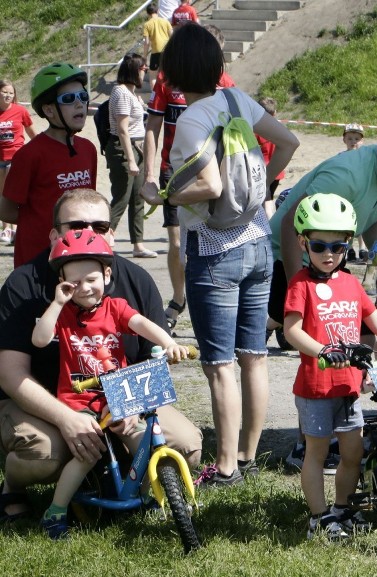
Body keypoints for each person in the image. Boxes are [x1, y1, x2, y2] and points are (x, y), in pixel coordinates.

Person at [150, 23, 299, 486]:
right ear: (216, 66)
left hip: (214, 251)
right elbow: (289, 142)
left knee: (219, 365)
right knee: (254, 355)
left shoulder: (193, 119)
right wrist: (260, 187)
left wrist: (166, 198)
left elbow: (210, 185)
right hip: (256, 241)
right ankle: (250, 457)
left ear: (173, 73)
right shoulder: (238, 101)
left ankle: (228, 466)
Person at [0, 188, 202, 524]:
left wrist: (132, 403)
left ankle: (131, 479)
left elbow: (150, 352)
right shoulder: (25, 284)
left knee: (183, 446)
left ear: (111, 232)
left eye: (100, 226)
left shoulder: (134, 280)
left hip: (117, 394)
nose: (89, 233)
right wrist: (67, 419)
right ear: (54, 234)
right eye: (76, 224)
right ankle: (15, 487)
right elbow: (10, 374)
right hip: (51, 399)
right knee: (45, 454)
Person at [34, 229, 191, 539]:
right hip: (80, 401)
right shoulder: (64, 314)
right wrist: (57, 301)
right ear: (64, 284)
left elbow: (143, 324)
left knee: (143, 439)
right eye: (74, 282)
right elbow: (39, 339)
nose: (84, 288)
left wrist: (168, 342)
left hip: (119, 392)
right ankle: (55, 511)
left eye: (91, 279)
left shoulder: (115, 307)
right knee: (87, 453)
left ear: (107, 275)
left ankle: (152, 497)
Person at [282, 194, 377, 539]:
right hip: (316, 387)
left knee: (353, 451)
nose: (329, 254)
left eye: (338, 247)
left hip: (349, 385)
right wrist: (322, 350)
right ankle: (318, 517)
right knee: (317, 452)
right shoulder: (301, 284)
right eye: (320, 245)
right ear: (303, 242)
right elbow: (291, 330)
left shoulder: (351, 284)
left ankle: (341, 509)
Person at [266, 115, 377, 343]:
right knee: (329, 338)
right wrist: (300, 294)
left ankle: (277, 322)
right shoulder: (346, 176)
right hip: (281, 259)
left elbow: (375, 218)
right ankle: (272, 319)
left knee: (365, 335)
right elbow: (289, 225)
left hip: (326, 260)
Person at [142, 23, 237, 334]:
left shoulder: (225, 82)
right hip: (176, 170)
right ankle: (179, 298)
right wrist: (150, 174)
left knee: (210, 235)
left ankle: (208, 301)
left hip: (214, 168)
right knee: (176, 241)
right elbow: (153, 127)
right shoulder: (168, 79)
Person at [0, 63, 97, 269]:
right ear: (48, 109)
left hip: (77, 256)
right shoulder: (29, 155)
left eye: (83, 96)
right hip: (37, 260)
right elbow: (6, 211)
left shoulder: (88, 149)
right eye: (69, 99)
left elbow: (89, 203)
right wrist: (43, 222)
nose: (79, 104)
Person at [107, 53, 155, 258]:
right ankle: (103, 238)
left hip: (137, 147)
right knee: (122, 197)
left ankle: (138, 244)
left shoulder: (133, 93)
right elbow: (122, 129)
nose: (145, 72)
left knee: (138, 198)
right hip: (123, 148)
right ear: (134, 69)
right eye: (143, 69)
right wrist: (131, 160)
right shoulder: (121, 93)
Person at [0, 79, 36, 245]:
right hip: (0, 160)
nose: (8, 95)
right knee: (3, 195)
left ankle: (16, 229)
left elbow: (32, 134)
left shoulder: (20, 111)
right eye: (5, 92)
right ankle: (6, 228)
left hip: (16, 158)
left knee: (15, 194)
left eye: (11, 93)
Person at [341, 123, 367, 263]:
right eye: (350, 138)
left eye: (357, 139)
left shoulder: (366, 158)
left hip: (361, 193)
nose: (353, 142)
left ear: (362, 141)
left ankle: (362, 247)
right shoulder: (341, 157)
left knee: (361, 220)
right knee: (347, 220)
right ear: (344, 140)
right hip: (347, 193)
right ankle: (349, 248)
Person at [256, 96, 286, 200]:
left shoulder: (256, 129)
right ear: (275, 113)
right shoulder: (281, 128)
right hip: (277, 171)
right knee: (269, 198)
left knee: (261, 201)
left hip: (262, 171)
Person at [142, 4, 172, 90]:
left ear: (148, 13)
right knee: (168, 74)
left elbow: (146, 43)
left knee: (153, 76)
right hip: (167, 52)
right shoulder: (165, 22)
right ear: (158, 11)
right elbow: (172, 37)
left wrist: (144, 56)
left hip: (155, 53)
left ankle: (154, 96)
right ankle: (168, 94)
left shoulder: (147, 25)